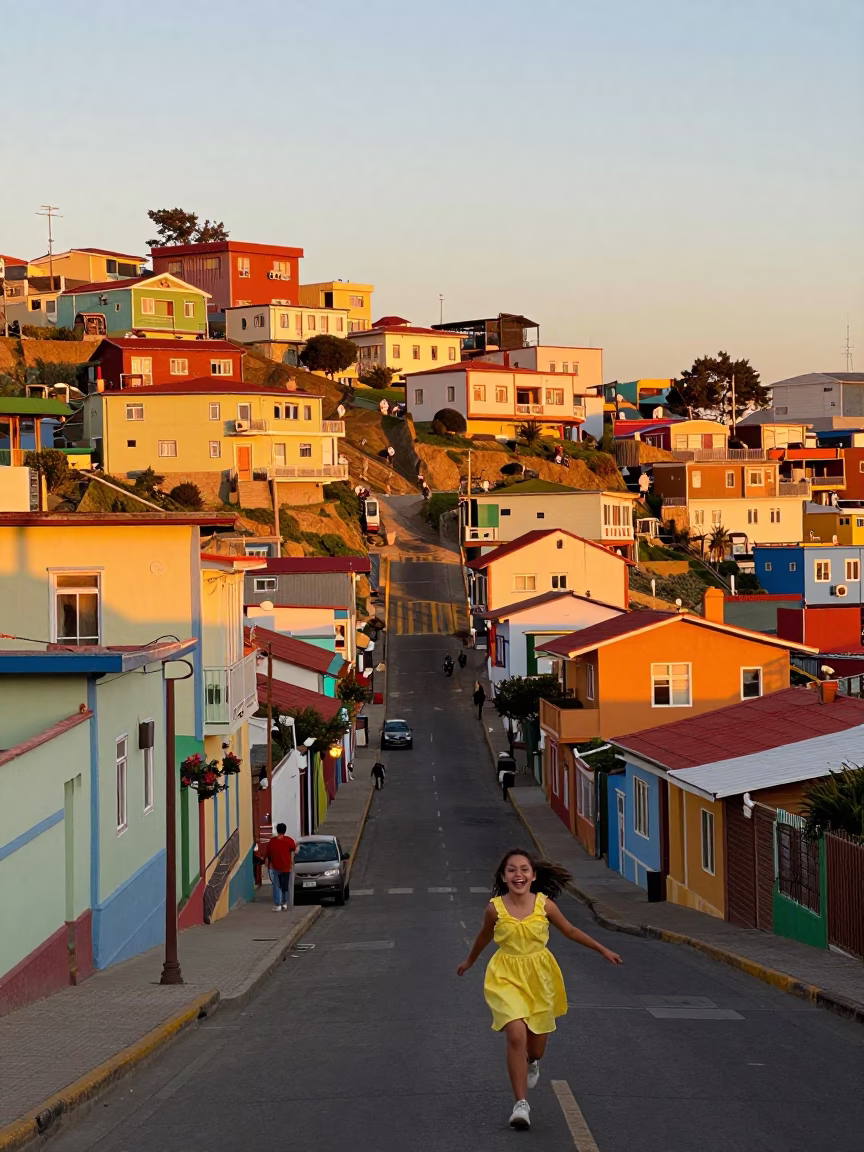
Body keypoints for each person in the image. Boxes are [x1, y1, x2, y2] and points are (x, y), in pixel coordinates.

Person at [457, 849, 622, 1130]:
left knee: (536, 1048)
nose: (518, 874)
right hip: (505, 976)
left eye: (524, 869)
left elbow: (570, 931)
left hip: (540, 978)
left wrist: (602, 949)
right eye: (511, 869)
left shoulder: (544, 905)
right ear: (503, 876)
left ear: (533, 876)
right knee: (515, 1033)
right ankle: (521, 1104)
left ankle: (532, 1062)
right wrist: (469, 961)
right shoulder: (494, 908)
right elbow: (485, 936)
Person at [261, 823, 297, 912]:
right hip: (286, 867)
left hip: (276, 867)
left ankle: (278, 904)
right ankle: (284, 903)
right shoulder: (289, 841)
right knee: (285, 886)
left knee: (277, 886)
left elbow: (268, 854)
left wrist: (267, 863)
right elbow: (293, 849)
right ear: (285, 830)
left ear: (277, 830)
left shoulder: (272, 842)